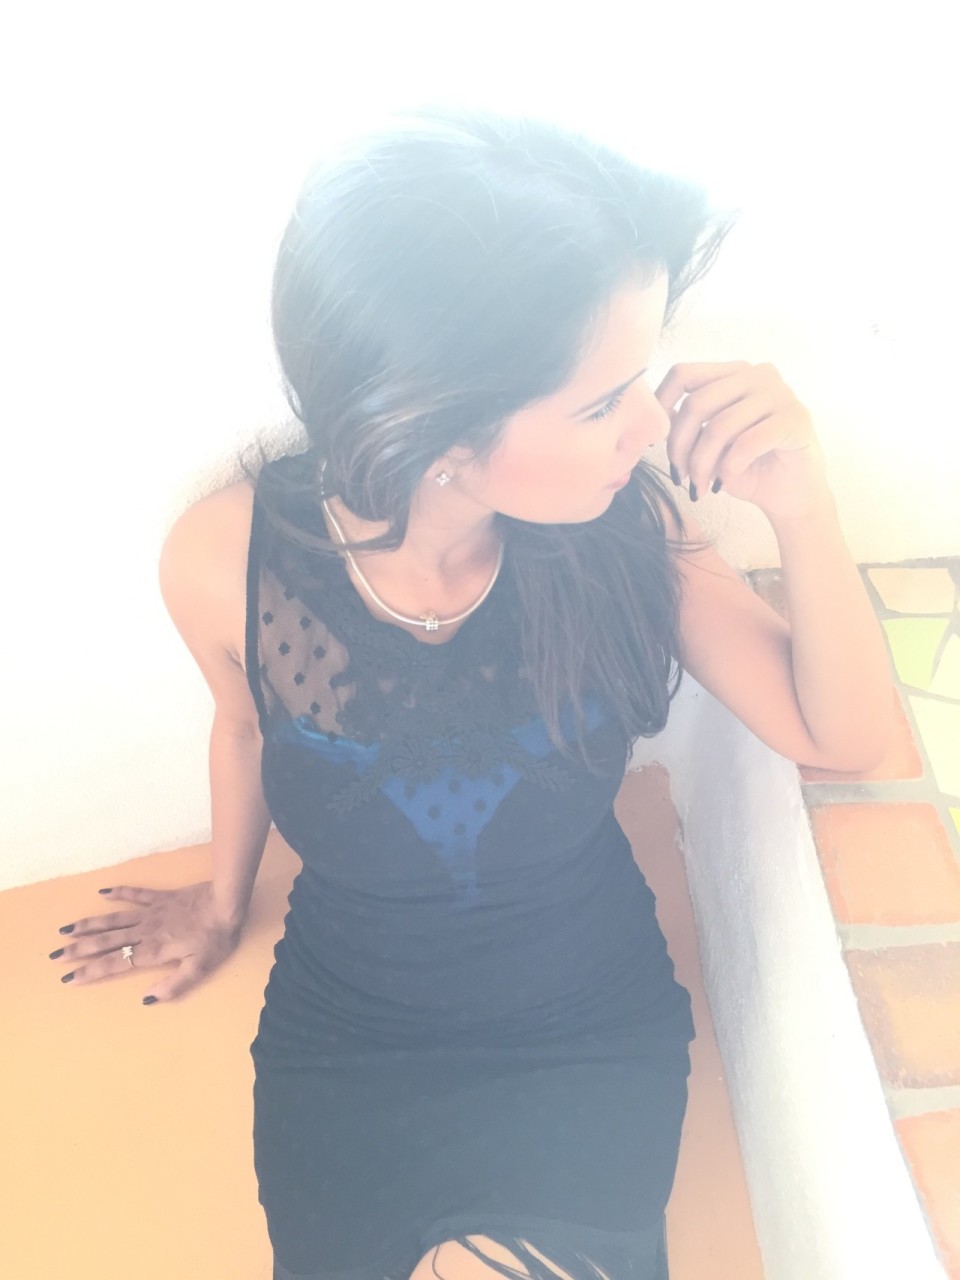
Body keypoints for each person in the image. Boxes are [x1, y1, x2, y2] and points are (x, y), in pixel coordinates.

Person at [53, 104, 896, 1280]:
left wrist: (804, 504)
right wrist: (221, 900)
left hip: (581, 1027)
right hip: (350, 1039)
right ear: (432, 433)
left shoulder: (630, 533)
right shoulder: (227, 560)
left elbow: (842, 735)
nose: (649, 424)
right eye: (602, 402)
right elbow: (243, 723)